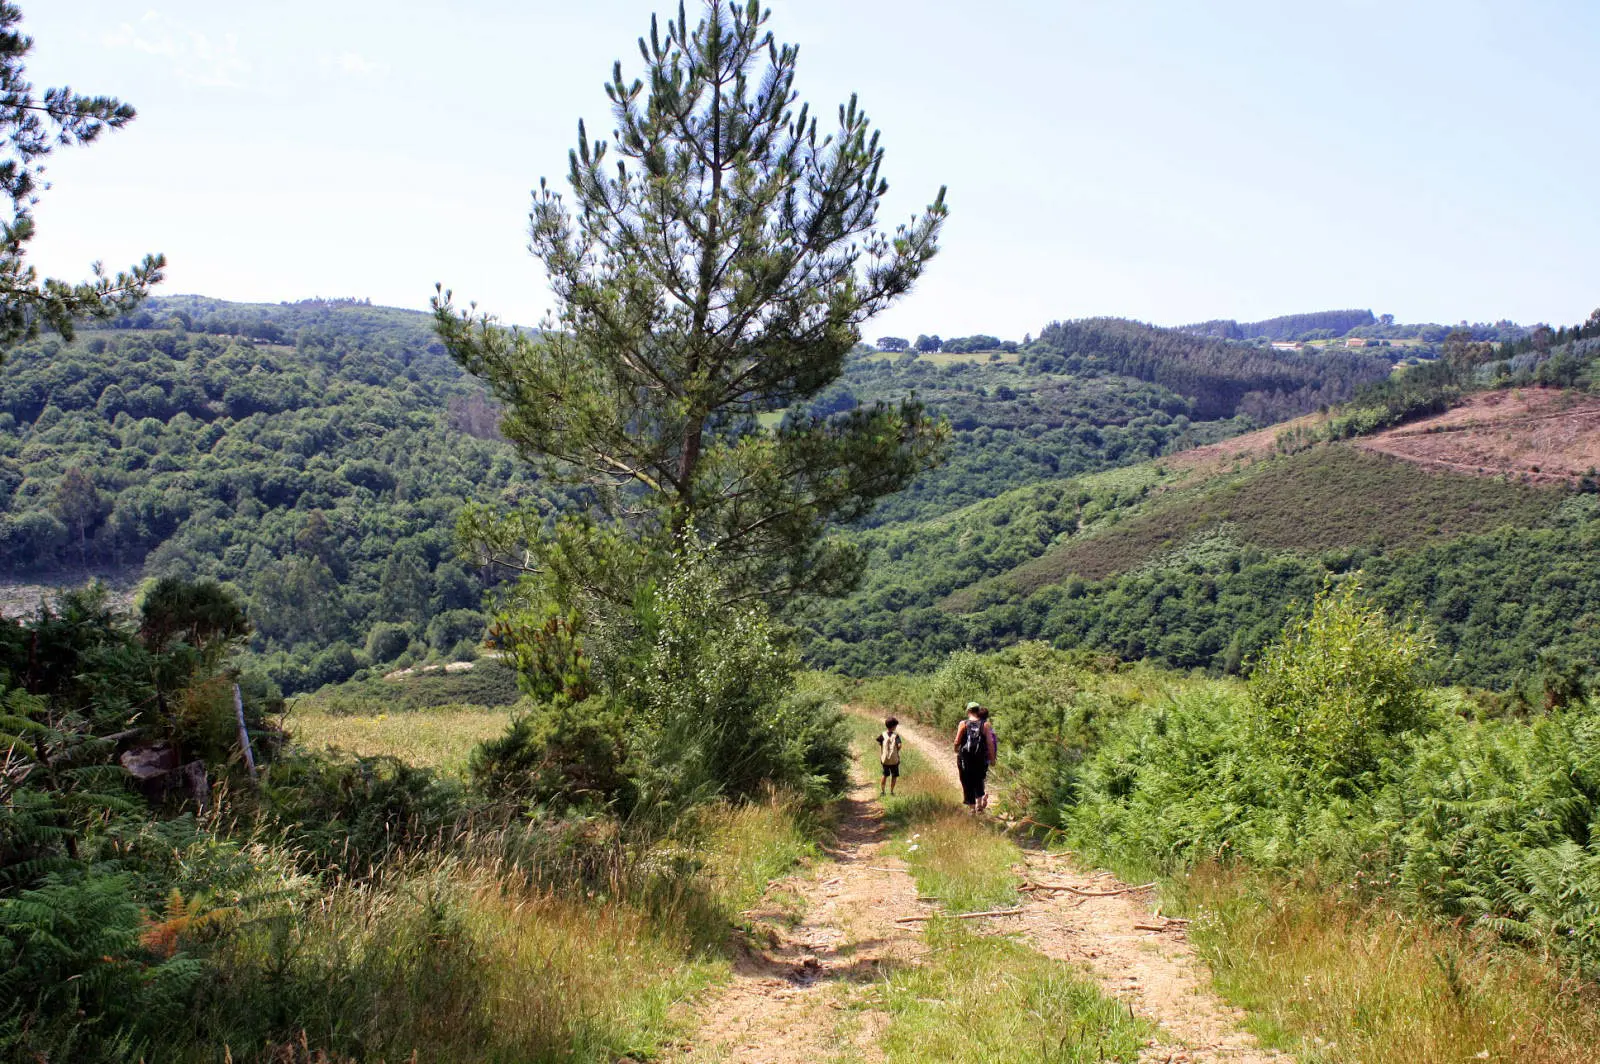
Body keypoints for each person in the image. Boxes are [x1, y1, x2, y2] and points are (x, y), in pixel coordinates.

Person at [953, 701, 996, 814]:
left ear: (968, 711)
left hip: (965, 758)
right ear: (978, 711)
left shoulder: (963, 723)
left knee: (967, 781)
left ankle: (971, 808)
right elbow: (990, 743)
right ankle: (979, 805)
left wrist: (956, 750)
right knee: (979, 779)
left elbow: (957, 741)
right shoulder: (985, 725)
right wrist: (992, 758)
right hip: (980, 759)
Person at [876, 716, 903, 796]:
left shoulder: (882, 735)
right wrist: (896, 750)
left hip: (885, 760)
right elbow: (899, 745)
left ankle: (883, 791)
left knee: (885, 775)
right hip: (894, 760)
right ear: (894, 726)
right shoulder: (896, 735)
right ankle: (891, 791)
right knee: (894, 776)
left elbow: (880, 744)